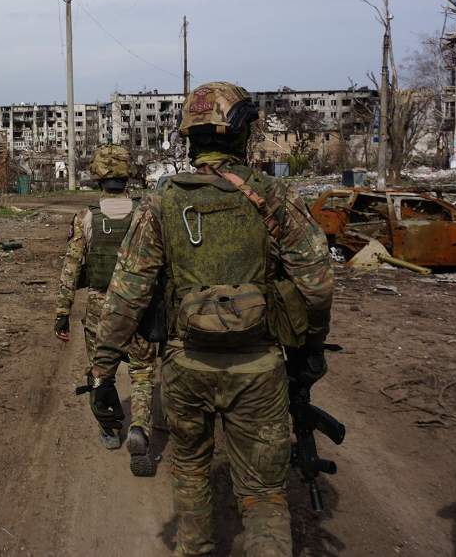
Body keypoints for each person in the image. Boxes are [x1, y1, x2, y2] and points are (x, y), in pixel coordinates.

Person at [93, 82, 334, 556]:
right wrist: (311, 349)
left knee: (191, 471)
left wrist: (103, 370)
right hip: (260, 368)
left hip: (186, 368)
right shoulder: (274, 197)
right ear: (243, 134)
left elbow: (127, 294)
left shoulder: (162, 203)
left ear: (190, 140)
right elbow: (317, 285)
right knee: (264, 494)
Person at [54, 144, 160, 475]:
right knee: (142, 372)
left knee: (101, 372)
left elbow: (71, 267)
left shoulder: (86, 218)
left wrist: (62, 311)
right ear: (127, 175)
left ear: (97, 176)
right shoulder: (146, 215)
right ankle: (140, 426)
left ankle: (110, 429)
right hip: (140, 307)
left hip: (101, 307)